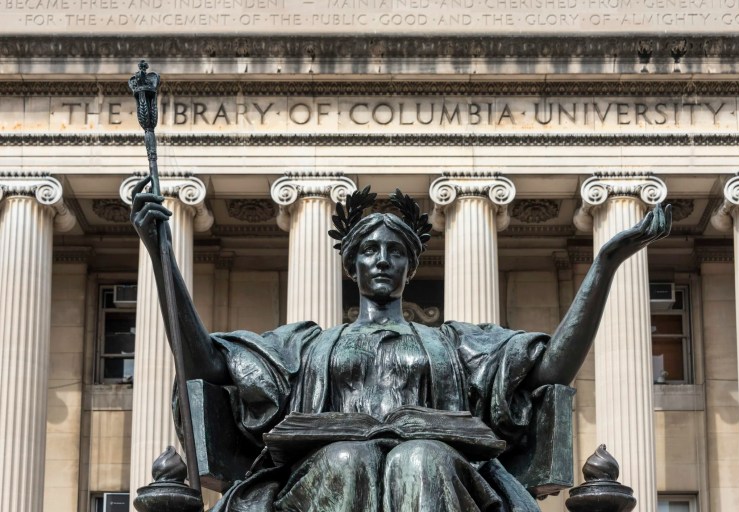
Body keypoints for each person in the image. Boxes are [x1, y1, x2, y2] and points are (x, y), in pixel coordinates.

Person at [131, 179, 671, 512]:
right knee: (346, 459)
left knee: (422, 460)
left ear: (412, 267)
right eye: (370, 249)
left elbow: (552, 368)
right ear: (352, 265)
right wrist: (162, 259)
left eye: (395, 251)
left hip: (440, 471)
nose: (383, 259)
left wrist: (605, 266)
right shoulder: (305, 345)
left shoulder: (456, 345)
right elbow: (202, 361)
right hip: (326, 473)